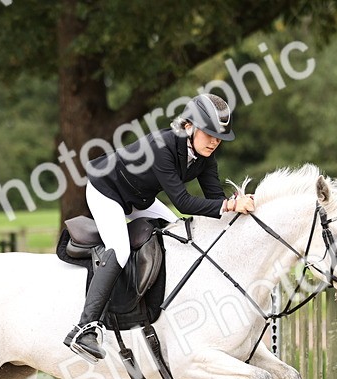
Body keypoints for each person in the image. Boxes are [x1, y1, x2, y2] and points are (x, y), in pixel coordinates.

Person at [63, 93, 256, 361]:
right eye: (209, 133)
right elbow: (184, 202)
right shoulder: (162, 147)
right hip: (106, 189)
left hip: (139, 197)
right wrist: (231, 206)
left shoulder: (205, 156)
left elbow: (215, 202)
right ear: (189, 126)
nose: (215, 141)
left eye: (219, 136)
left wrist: (238, 206)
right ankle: (83, 329)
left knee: (177, 234)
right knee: (119, 250)